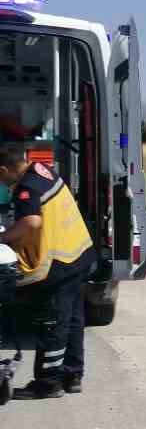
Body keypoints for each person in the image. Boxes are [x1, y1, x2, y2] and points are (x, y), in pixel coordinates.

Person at [0, 146, 93, 399]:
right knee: (73, 319)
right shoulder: (43, 171)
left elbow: (31, 222)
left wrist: (3, 238)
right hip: (78, 251)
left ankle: (48, 383)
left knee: (53, 322)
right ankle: (72, 375)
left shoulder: (26, 187)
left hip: (59, 262)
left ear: (4, 170)